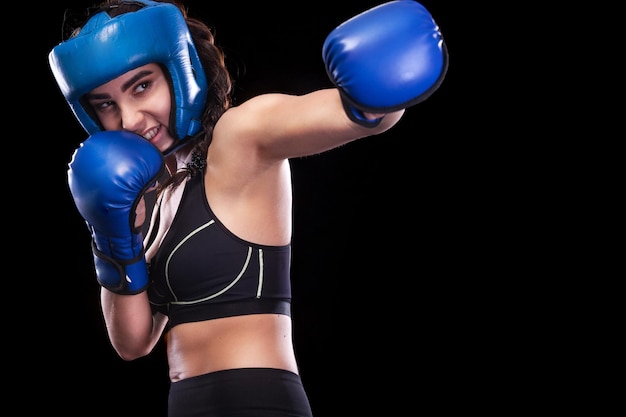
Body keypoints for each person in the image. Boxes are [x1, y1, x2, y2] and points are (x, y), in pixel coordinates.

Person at [49, 0, 448, 415]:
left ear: (178, 69)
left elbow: (354, 114)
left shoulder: (239, 138)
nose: (129, 119)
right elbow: (133, 343)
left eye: (141, 85)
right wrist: (112, 234)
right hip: (185, 405)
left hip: (258, 398)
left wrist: (373, 96)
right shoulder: (141, 198)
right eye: (105, 104)